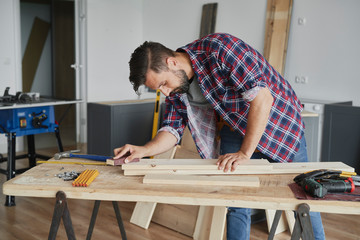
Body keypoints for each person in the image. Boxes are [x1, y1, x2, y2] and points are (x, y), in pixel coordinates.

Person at [113, 33, 325, 240]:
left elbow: (262, 99)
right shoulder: (177, 89)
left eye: (163, 84)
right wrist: (144, 150)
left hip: (279, 124)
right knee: (236, 201)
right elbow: (172, 130)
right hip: (234, 127)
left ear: (172, 62)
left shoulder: (221, 49)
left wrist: (244, 153)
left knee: (303, 199)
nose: (166, 93)